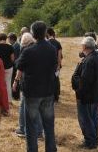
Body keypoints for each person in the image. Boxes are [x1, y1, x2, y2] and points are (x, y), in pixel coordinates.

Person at [16, 21, 58, 152]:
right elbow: (55, 65)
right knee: (49, 124)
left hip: (32, 92)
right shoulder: (52, 48)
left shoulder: (29, 50)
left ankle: (32, 149)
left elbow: (18, 65)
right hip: (48, 90)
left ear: (33, 34)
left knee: (31, 125)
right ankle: (51, 149)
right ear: (45, 32)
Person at [72, 36, 98, 149]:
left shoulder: (88, 61)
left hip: (87, 95)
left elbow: (84, 81)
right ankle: (94, 139)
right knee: (94, 116)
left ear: (84, 47)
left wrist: (79, 92)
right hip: (96, 93)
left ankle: (90, 141)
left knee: (85, 119)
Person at [13, 32, 43, 139]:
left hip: (28, 83)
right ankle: (39, 131)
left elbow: (20, 68)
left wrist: (16, 80)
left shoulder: (25, 50)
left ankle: (23, 129)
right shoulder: (39, 49)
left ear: (23, 42)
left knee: (23, 106)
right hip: (39, 83)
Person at [0, 33, 15, 103]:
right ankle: (9, 100)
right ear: (6, 39)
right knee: (8, 83)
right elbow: (12, 59)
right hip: (9, 67)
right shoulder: (10, 47)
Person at [47, 28, 63, 102]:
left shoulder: (47, 43)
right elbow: (59, 56)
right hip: (56, 65)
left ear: (47, 33)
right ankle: (56, 96)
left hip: (48, 65)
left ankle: (50, 96)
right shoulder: (57, 43)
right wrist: (58, 66)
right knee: (56, 80)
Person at [8, 32, 21, 100]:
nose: (8, 40)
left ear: (12, 39)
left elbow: (14, 57)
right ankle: (15, 95)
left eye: (9, 38)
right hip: (16, 64)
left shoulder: (15, 46)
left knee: (15, 80)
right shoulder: (16, 45)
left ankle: (15, 95)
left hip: (15, 65)